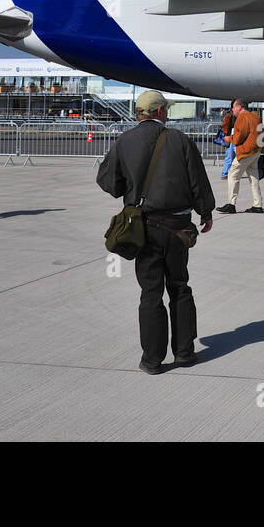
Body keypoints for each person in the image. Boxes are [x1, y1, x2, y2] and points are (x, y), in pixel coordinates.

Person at [96, 90, 215, 374]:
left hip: (143, 228)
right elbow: (197, 180)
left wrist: (132, 189)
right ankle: (184, 352)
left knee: (151, 293)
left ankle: (152, 360)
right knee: (179, 287)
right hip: (177, 228)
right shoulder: (179, 140)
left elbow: (107, 181)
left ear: (140, 113)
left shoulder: (124, 141)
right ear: (161, 112)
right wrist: (206, 211)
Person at [215, 99, 264, 213]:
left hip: (246, 151)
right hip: (256, 151)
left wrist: (229, 138)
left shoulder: (242, 118)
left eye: (233, 107)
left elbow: (238, 137)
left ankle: (231, 204)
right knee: (254, 178)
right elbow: (262, 134)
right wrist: (259, 149)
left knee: (232, 174)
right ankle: (257, 204)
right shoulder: (256, 117)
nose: (232, 110)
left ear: (239, 107)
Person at [218, 109, 237, 179]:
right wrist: (226, 136)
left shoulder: (231, 115)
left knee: (231, 156)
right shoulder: (229, 115)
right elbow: (225, 126)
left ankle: (226, 173)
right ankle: (224, 173)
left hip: (232, 136)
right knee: (229, 156)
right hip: (231, 136)